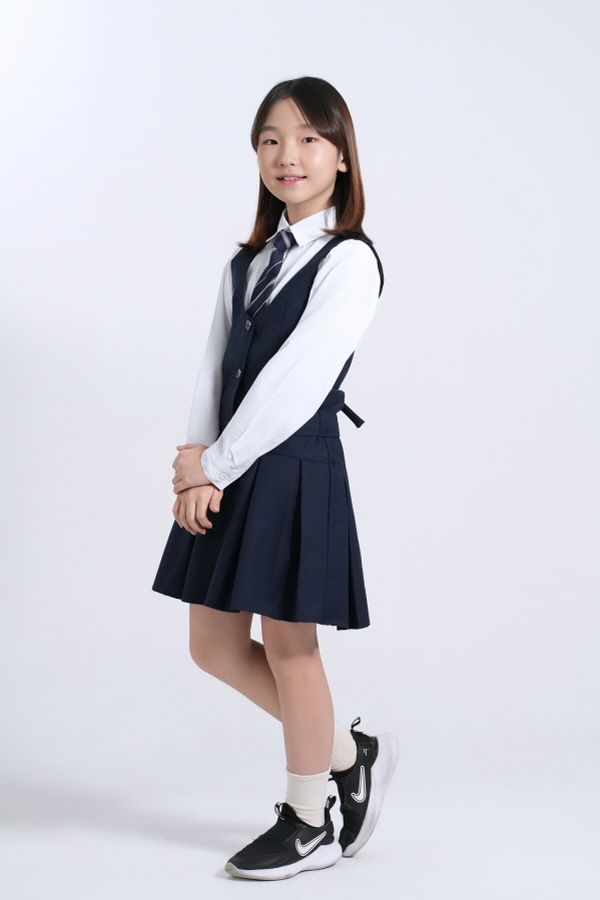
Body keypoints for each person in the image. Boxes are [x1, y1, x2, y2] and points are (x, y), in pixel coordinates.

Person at [153, 76, 398, 881]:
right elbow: (213, 368)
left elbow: (295, 383)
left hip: (291, 463)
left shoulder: (349, 260)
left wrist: (214, 464)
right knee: (213, 646)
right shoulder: (249, 262)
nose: (287, 155)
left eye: (308, 139)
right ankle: (350, 753)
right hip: (227, 467)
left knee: (292, 646)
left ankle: (308, 819)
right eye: (270, 140)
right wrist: (193, 465)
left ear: (342, 155)